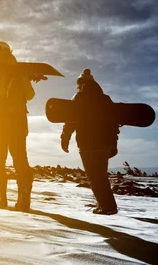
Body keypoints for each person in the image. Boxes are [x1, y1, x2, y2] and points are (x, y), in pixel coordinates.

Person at [0, 41, 37, 211]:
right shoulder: (19, 69)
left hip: (0, 118)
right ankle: (24, 198)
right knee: (20, 159)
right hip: (19, 119)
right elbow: (30, 95)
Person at [60, 69, 119, 215]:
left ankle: (106, 207)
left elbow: (70, 120)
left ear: (81, 84)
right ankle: (108, 205)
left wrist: (65, 138)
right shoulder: (105, 99)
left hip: (87, 143)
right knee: (101, 175)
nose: (77, 87)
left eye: (78, 85)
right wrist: (113, 144)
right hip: (105, 142)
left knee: (93, 176)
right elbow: (114, 123)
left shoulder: (78, 97)